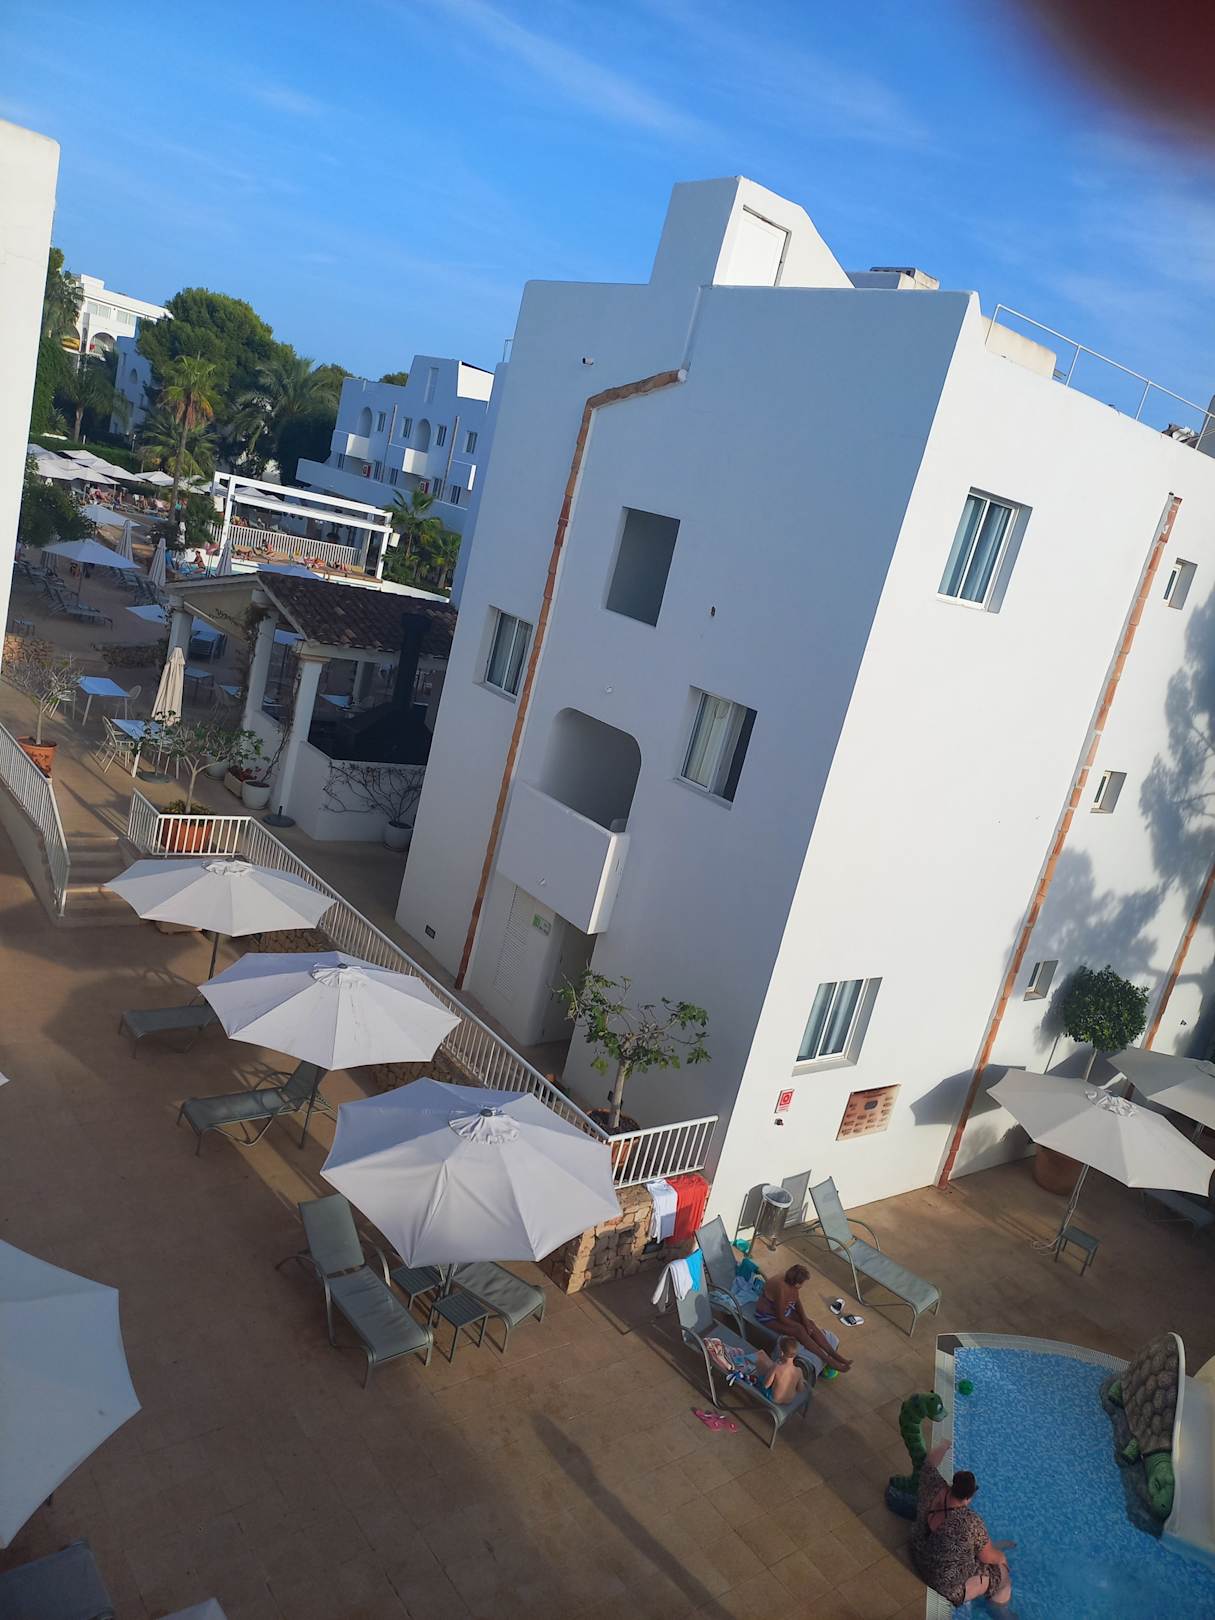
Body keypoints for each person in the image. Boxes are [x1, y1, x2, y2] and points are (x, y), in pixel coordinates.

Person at [910, 1434, 1013, 1609]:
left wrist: (944, 1445)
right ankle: (1002, 1613)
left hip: (918, 1549)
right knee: (1002, 1577)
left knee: (974, 1548)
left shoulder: (933, 1484)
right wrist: (1002, 1559)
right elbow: (987, 1557)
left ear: (953, 1484)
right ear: (969, 1497)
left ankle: (985, 1547)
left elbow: (929, 1464)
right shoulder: (971, 1523)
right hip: (941, 1580)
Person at [755, 1265, 851, 1373]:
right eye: (802, 1283)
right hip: (768, 1316)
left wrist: (805, 1321)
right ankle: (829, 1360)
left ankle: (833, 1354)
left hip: (784, 1311)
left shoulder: (790, 1283)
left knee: (810, 1324)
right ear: (796, 1283)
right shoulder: (781, 1288)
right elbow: (781, 1317)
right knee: (799, 1331)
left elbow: (796, 1301)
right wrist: (799, 1325)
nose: (802, 1286)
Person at [755, 1336, 806, 1404]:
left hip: (775, 1399)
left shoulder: (777, 1367)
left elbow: (766, 1385)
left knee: (760, 1377)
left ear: (781, 1353)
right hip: (789, 1401)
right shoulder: (799, 1371)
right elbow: (800, 1389)